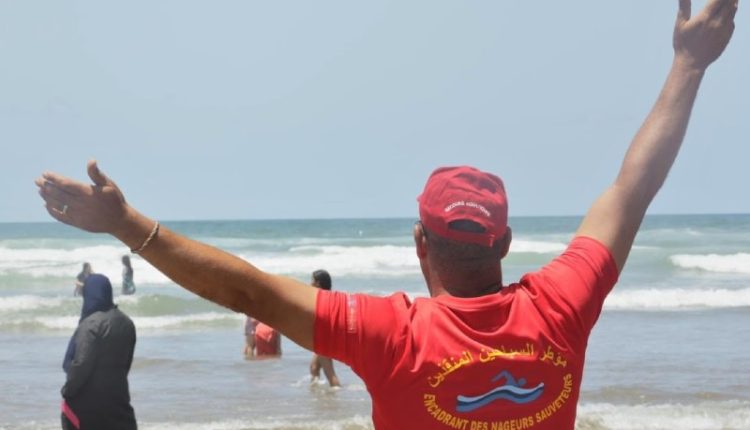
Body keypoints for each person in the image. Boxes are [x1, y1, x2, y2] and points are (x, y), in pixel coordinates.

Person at [36, 1, 737, 428]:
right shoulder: (560, 307)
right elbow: (630, 191)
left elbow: (248, 291)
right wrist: (688, 65)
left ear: (418, 242)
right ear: (505, 242)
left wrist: (127, 225)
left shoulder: (393, 336)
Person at [61, 274, 137, 430]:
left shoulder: (90, 324)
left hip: (88, 405)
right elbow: (126, 364)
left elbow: (81, 364)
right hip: (119, 400)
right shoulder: (127, 323)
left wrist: (67, 390)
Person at [308, 270, 341, 387]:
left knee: (330, 374)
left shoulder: (320, 298)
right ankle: (318, 394)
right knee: (314, 367)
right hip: (327, 336)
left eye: (312, 280)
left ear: (317, 283)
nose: (310, 283)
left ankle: (336, 393)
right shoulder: (329, 296)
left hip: (324, 338)